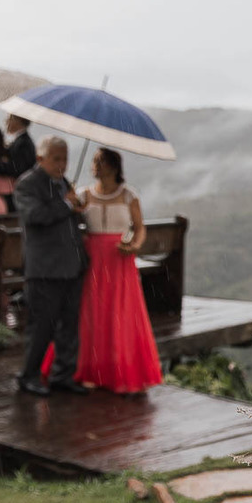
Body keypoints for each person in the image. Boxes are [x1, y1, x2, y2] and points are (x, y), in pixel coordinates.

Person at [42, 147, 162, 394]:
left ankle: (119, 370)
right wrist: (70, 202)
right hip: (91, 257)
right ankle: (87, 369)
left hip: (119, 258)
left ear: (114, 165)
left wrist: (135, 245)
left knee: (121, 312)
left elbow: (139, 228)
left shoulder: (129, 195)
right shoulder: (84, 193)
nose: (96, 165)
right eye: (95, 161)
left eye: (101, 161)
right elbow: (69, 220)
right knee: (90, 312)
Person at [14, 136, 88, 397]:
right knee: (41, 326)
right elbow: (36, 216)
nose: (62, 164)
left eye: (65, 158)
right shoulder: (27, 184)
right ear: (40, 158)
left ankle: (63, 375)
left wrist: (75, 206)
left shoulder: (63, 183)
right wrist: (67, 204)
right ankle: (29, 375)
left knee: (69, 325)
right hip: (45, 268)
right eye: (56, 158)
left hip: (71, 265)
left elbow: (65, 216)